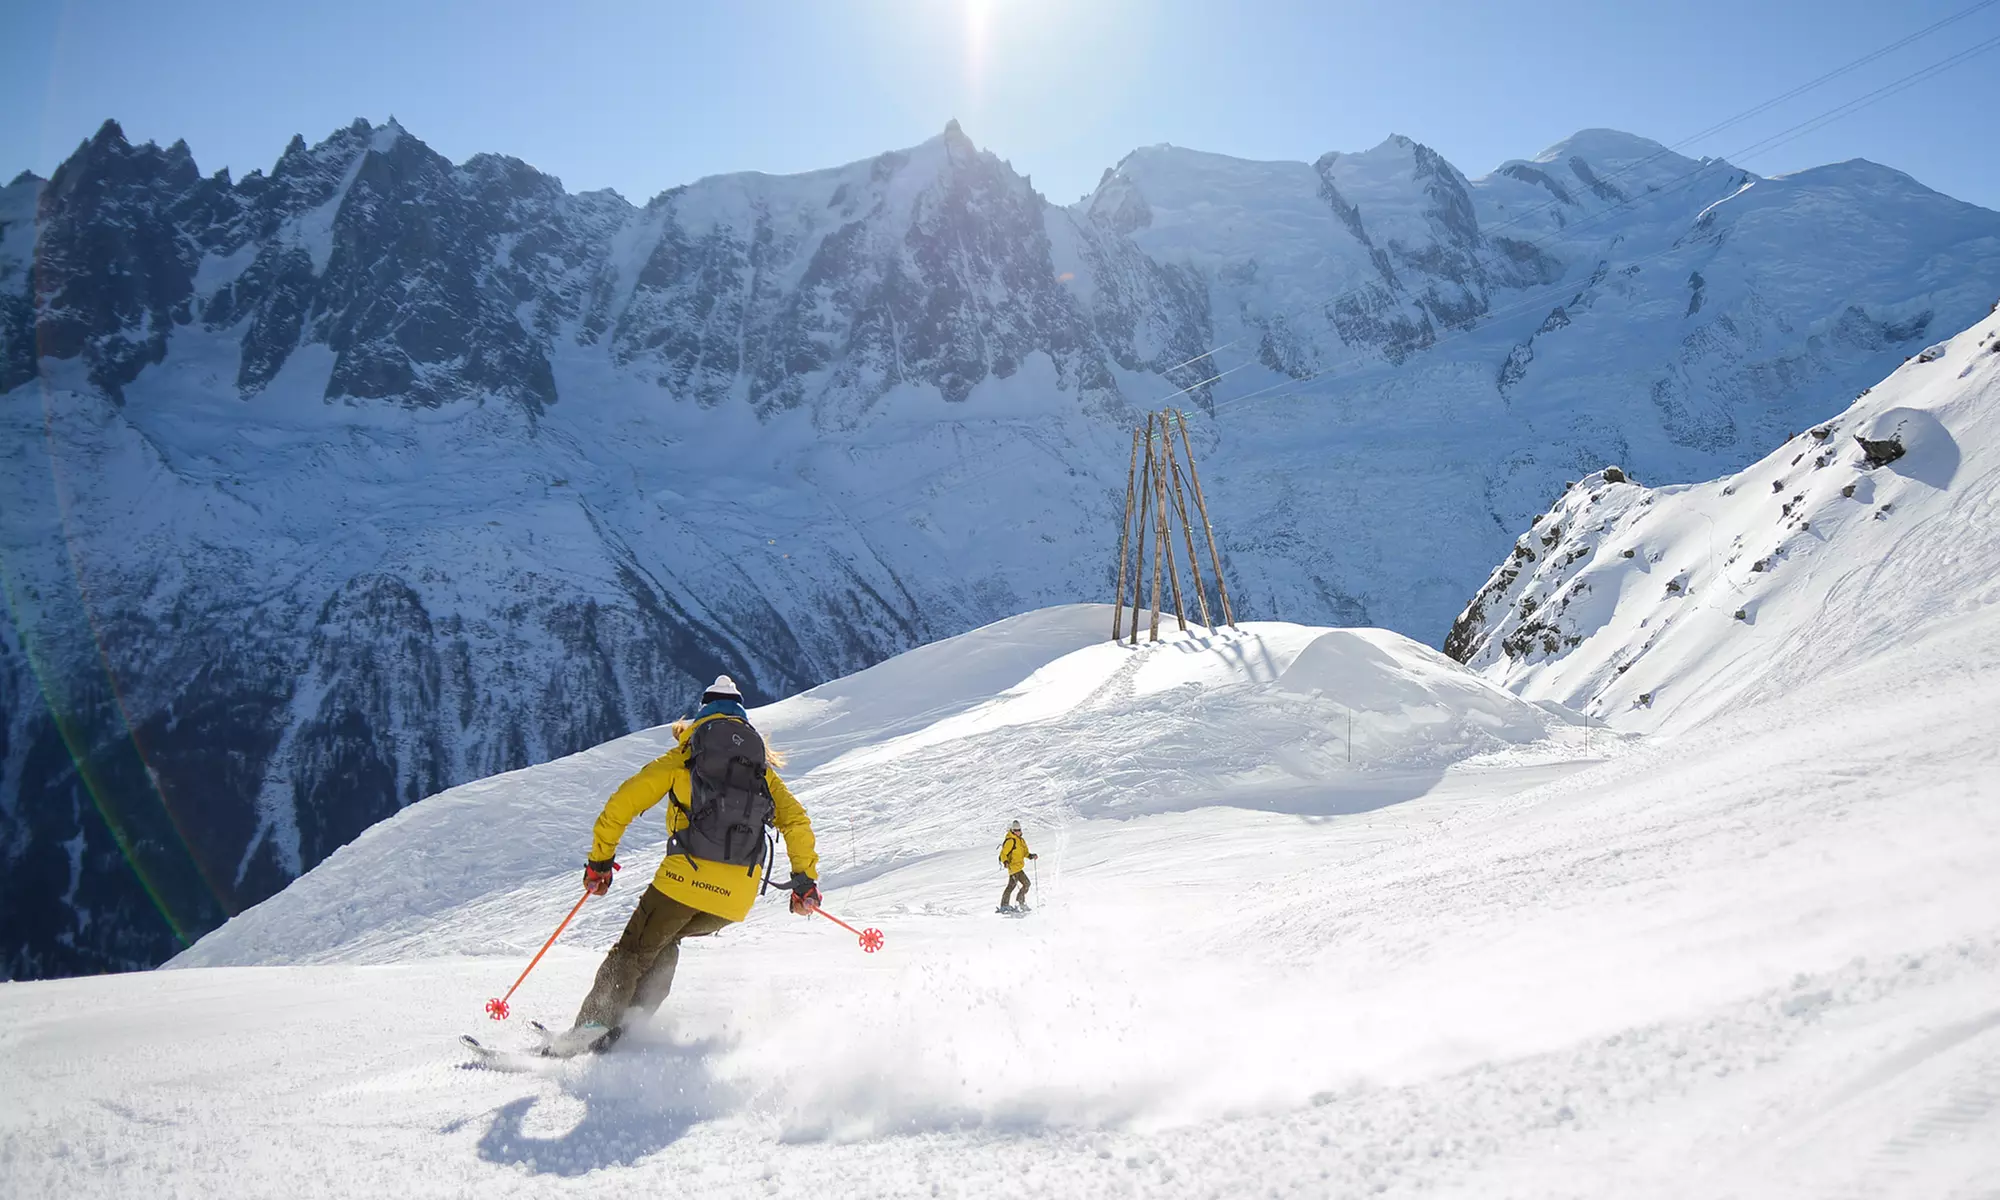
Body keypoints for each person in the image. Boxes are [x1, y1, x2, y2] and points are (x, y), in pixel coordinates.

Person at [553, 674, 819, 1055]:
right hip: (734, 900)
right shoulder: (761, 772)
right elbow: (797, 823)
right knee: (664, 939)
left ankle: (591, 1029)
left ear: (702, 716)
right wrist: (804, 882)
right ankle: (629, 1028)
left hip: (684, 881)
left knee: (631, 951)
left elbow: (622, 803)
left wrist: (600, 861)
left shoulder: (686, 757)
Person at [997, 819, 1037, 913]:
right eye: (1016, 830)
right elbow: (1003, 853)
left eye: (1019, 830)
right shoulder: (1011, 840)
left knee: (1026, 884)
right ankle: (1005, 905)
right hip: (1013, 868)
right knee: (1012, 886)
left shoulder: (1021, 841)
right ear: (1012, 830)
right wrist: (1005, 861)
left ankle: (1019, 903)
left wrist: (1031, 856)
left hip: (1019, 867)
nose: (1018, 832)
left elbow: (1024, 853)